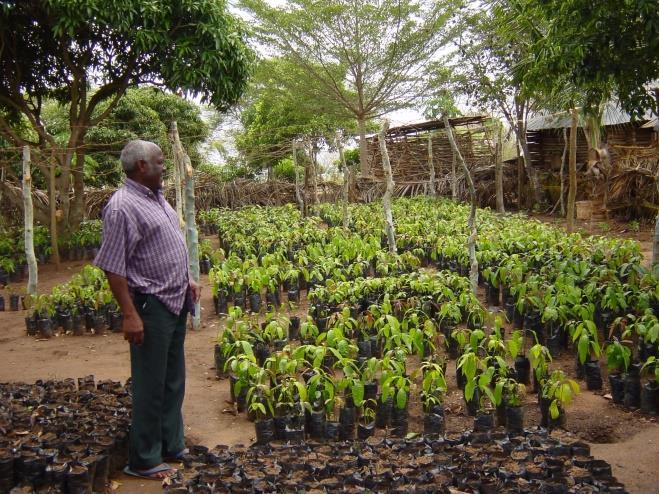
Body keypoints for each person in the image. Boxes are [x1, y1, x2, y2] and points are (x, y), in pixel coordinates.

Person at [94, 139, 201, 480]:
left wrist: (188, 279)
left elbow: (164, 245)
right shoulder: (122, 206)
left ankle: (172, 444)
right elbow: (114, 266)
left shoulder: (156, 197)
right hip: (150, 305)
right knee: (150, 383)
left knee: (172, 380)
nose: (164, 166)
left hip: (174, 300)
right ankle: (143, 458)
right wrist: (129, 314)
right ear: (141, 166)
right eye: (159, 161)